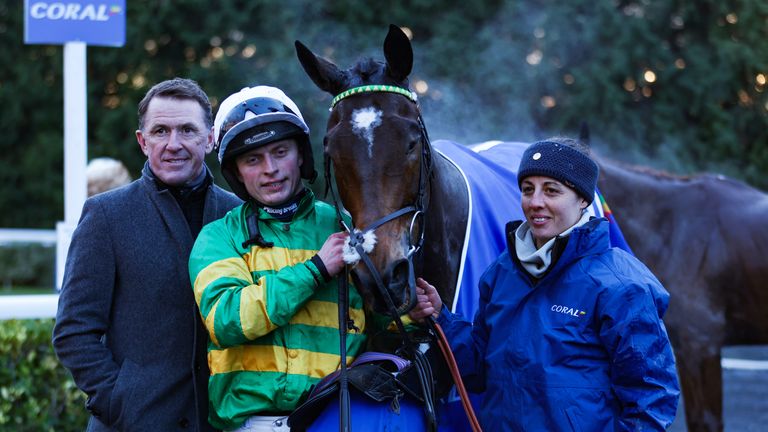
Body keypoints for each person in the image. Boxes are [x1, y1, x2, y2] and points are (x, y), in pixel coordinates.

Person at [409, 137, 680, 431]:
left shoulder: (621, 284)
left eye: (552, 191)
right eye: (528, 190)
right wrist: (442, 318)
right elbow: (480, 368)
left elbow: (652, 397)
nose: (535, 202)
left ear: (583, 200)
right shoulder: (502, 272)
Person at [53, 78, 242, 432]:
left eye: (187, 130)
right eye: (160, 131)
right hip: (131, 423)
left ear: (211, 138)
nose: (173, 144)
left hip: (221, 421)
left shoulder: (240, 215)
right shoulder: (105, 215)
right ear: (143, 141)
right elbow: (73, 330)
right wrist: (119, 400)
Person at [188, 86, 368, 432]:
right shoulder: (217, 238)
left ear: (301, 155)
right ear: (237, 173)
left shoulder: (345, 226)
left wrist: (414, 313)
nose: (270, 169)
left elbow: (382, 320)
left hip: (339, 419)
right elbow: (227, 320)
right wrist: (315, 271)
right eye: (253, 159)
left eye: (280, 152)